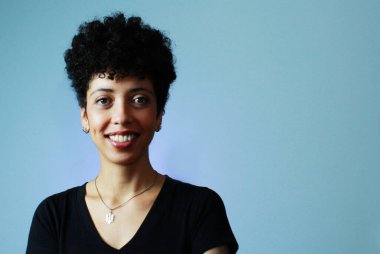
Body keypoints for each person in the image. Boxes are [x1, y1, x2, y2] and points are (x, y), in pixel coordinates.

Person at [26, 12, 238, 254]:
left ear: (159, 115)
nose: (122, 116)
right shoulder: (53, 217)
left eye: (139, 99)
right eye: (104, 100)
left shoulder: (200, 209)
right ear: (85, 116)